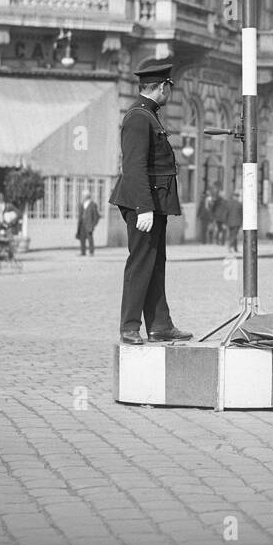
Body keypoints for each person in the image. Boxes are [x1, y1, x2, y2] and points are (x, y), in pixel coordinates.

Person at [109, 59, 191, 345]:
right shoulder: (138, 117)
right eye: (169, 86)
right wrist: (144, 207)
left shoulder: (149, 115)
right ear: (163, 87)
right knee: (141, 264)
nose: (170, 92)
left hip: (155, 202)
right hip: (143, 204)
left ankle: (160, 325)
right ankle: (129, 327)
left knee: (156, 263)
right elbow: (134, 166)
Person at [76, 189, 100, 256]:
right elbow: (80, 214)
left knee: (90, 238)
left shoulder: (93, 204)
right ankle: (83, 252)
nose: (82, 197)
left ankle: (91, 252)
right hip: (82, 223)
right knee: (82, 238)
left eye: (83, 196)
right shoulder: (82, 204)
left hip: (89, 224)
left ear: (87, 196)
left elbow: (97, 216)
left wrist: (93, 225)